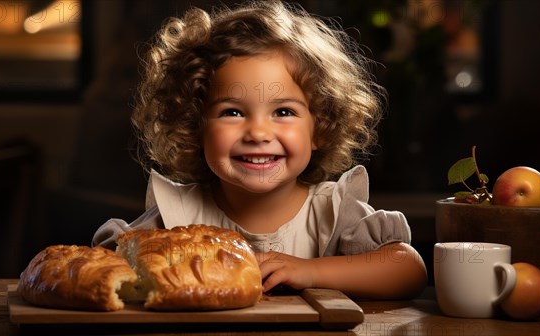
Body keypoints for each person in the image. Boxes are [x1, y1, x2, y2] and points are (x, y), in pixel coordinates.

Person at [93, 0, 427, 299]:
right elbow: (106, 266)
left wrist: (310, 271)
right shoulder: (177, 214)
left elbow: (407, 269)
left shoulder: (333, 211)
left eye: (283, 112)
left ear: (320, 127)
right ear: (195, 126)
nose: (258, 132)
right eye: (232, 112)